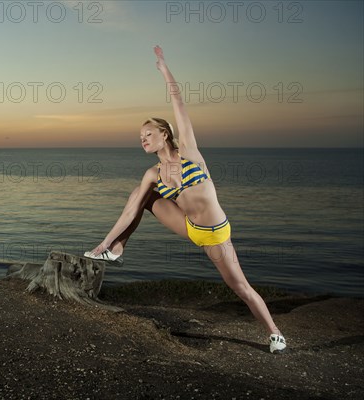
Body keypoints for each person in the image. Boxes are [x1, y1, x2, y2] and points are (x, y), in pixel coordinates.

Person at [84, 45, 287, 354]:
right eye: (140, 137)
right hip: (189, 226)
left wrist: (164, 69)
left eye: (148, 134)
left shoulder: (189, 151)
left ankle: (274, 333)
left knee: (241, 288)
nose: (143, 139)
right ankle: (116, 250)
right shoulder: (152, 173)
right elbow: (129, 213)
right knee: (139, 195)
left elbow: (178, 101)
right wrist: (104, 243)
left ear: (165, 134)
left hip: (216, 234)